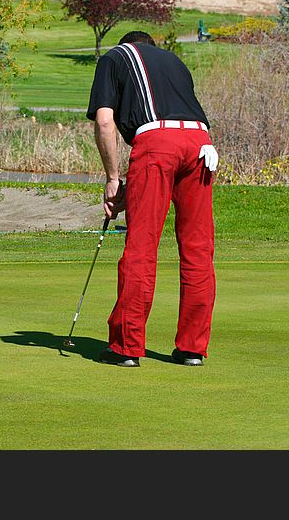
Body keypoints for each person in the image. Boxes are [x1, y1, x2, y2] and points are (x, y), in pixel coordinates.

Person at [86, 30, 218, 368]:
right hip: (202, 144)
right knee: (197, 248)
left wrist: (114, 179)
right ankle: (192, 349)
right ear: (152, 47)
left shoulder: (115, 57)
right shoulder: (175, 61)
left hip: (156, 142)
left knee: (142, 246)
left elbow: (105, 123)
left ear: (128, 43)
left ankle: (127, 347)